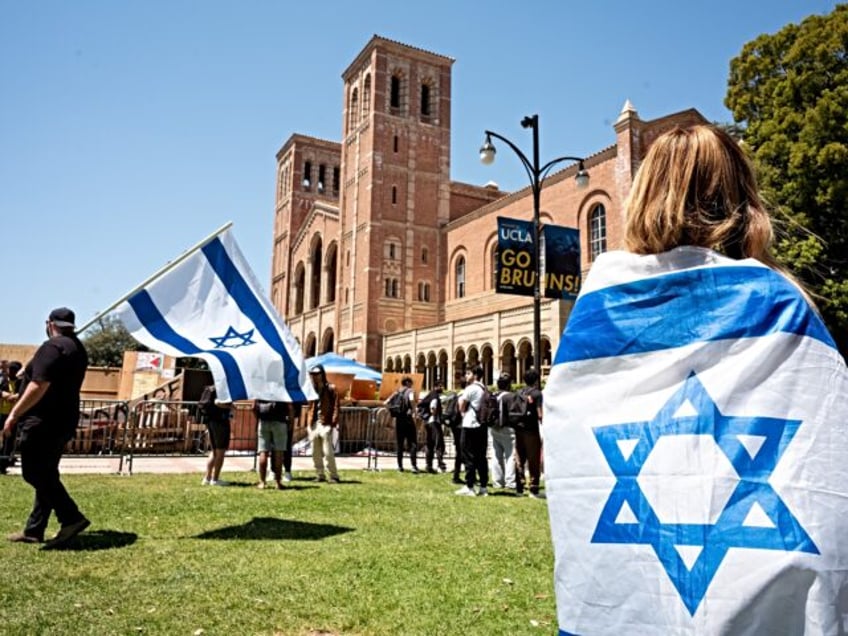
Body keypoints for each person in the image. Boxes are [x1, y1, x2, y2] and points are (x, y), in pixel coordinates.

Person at [544, 124, 848, 634]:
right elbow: (821, 473)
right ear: (742, 200)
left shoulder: (594, 320)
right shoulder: (781, 308)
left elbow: (579, 474)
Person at [2, 308, 90, 548]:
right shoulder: (76, 349)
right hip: (64, 419)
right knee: (48, 474)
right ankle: (34, 529)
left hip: (42, 421)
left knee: (34, 473)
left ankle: (71, 517)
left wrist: (14, 414)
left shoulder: (51, 348)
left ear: (50, 324)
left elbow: (38, 385)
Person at [455, 366, 489, 496]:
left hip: (470, 425)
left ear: (475, 375)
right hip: (482, 425)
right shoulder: (484, 388)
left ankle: (469, 486)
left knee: (468, 455)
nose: (466, 375)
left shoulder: (470, 389)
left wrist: (461, 406)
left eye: (468, 373)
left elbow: (461, 407)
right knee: (481, 456)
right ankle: (484, 487)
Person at [514, 367, 543, 498]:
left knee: (520, 457)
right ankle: (533, 488)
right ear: (536, 380)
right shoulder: (537, 393)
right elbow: (540, 413)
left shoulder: (519, 392)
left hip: (519, 428)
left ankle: (519, 487)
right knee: (533, 459)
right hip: (532, 430)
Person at [308, 365, 340, 483]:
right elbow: (310, 406)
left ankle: (333, 475)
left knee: (328, 452)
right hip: (313, 423)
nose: (314, 377)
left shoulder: (331, 388)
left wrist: (333, 422)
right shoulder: (311, 389)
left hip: (325, 422)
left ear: (322, 374)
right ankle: (320, 474)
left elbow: (336, 406)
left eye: (317, 374)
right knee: (314, 452)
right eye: (312, 374)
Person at [199, 385, 232, 486]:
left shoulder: (210, 388)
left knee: (214, 451)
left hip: (211, 421)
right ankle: (215, 479)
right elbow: (217, 402)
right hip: (220, 422)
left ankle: (207, 478)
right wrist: (231, 406)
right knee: (220, 451)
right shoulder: (221, 389)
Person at [489, 372, 517, 492]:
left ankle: (497, 481)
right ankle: (510, 482)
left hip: (494, 428)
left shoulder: (494, 395)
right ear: (509, 384)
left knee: (496, 455)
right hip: (508, 428)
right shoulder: (510, 396)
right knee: (511, 456)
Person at [254, 400, 289, 489]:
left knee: (263, 451)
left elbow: (253, 407)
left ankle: (262, 482)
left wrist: (258, 419)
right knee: (279, 453)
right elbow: (290, 407)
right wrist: (290, 422)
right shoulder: (281, 388)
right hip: (280, 421)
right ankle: (277, 482)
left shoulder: (261, 389)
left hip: (264, 421)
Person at [386, 377, 419, 473]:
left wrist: (393, 412)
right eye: (411, 383)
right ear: (408, 383)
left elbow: (387, 402)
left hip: (399, 420)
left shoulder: (397, 392)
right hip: (408, 419)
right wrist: (414, 411)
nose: (412, 385)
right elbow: (412, 401)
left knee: (400, 444)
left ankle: (400, 466)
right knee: (412, 442)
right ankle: (413, 466)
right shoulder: (410, 391)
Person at [0, 361, 23, 474]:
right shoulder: (2, 380)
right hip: (1, 413)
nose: (11, 372)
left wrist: (16, 396)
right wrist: (2, 394)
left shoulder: (22, 382)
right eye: (10, 369)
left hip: (13, 415)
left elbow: (25, 393)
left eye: (14, 370)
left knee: (8, 440)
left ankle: (3, 465)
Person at [420, 380, 446, 474]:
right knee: (439, 444)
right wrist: (436, 414)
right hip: (434, 422)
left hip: (428, 422)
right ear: (436, 386)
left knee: (430, 444)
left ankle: (429, 465)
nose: (442, 388)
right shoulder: (434, 396)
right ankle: (440, 465)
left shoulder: (430, 395)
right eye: (441, 386)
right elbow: (433, 409)